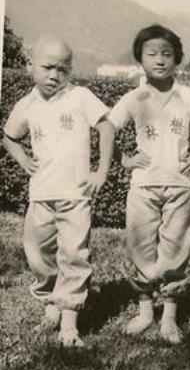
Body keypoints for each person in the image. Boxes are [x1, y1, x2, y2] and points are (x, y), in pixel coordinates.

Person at [2, 37, 115, 347]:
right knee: (38, 253)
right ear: (30, 64)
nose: (54, 75)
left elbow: (107, 127)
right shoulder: (26, 105)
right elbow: (9, 137)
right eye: (48, 67)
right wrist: (22, 158)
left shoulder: (80, 97)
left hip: (75, 196)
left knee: (74, 254)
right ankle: (52, 298)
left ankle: (69, 322)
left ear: (71, 70)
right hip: (40, 194)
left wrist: (101, 171)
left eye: (63, 69)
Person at [109, 24, 190, 344]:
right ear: (140, 58)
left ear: (177, 59)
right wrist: (124, 159)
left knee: (175, 249)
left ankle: (169, 316)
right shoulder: (134, 97)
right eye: (151, 53)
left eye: (167, 54)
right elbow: (107, 128)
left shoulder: (188, 96)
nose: (159, 60)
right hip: (143, 186)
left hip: (179, 186)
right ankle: (144, 312)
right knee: (141, 246)